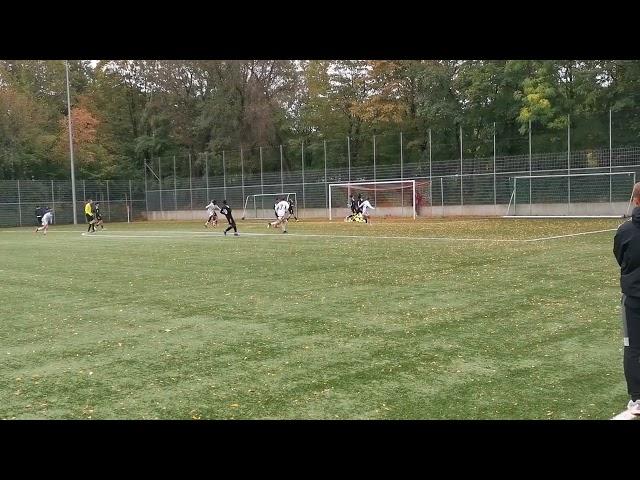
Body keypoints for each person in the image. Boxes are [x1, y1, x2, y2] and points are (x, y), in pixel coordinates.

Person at [613, 181, 640, 415]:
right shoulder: (625, 230)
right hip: (633, 295)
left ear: (635, 200)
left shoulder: (625, 231)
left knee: (632, 347)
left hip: (633, 297)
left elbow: (620, 257)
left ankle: (637, 398)